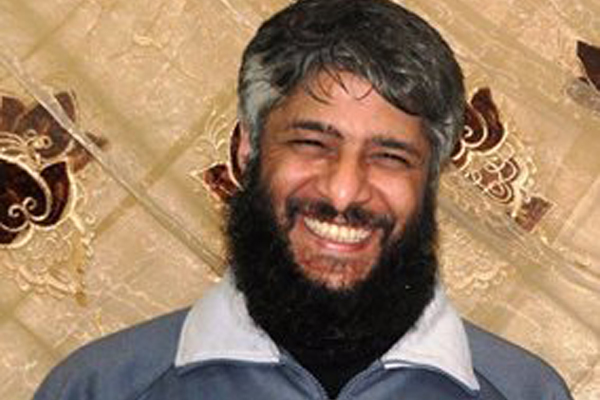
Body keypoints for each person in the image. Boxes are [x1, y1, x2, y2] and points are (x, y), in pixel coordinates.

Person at [33, 0, 573, 399]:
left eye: (390, 156)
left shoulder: (526, 392)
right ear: (248, 150)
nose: (343, 190)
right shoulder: (99, 388)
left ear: (432, 176)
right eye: (312, 143)